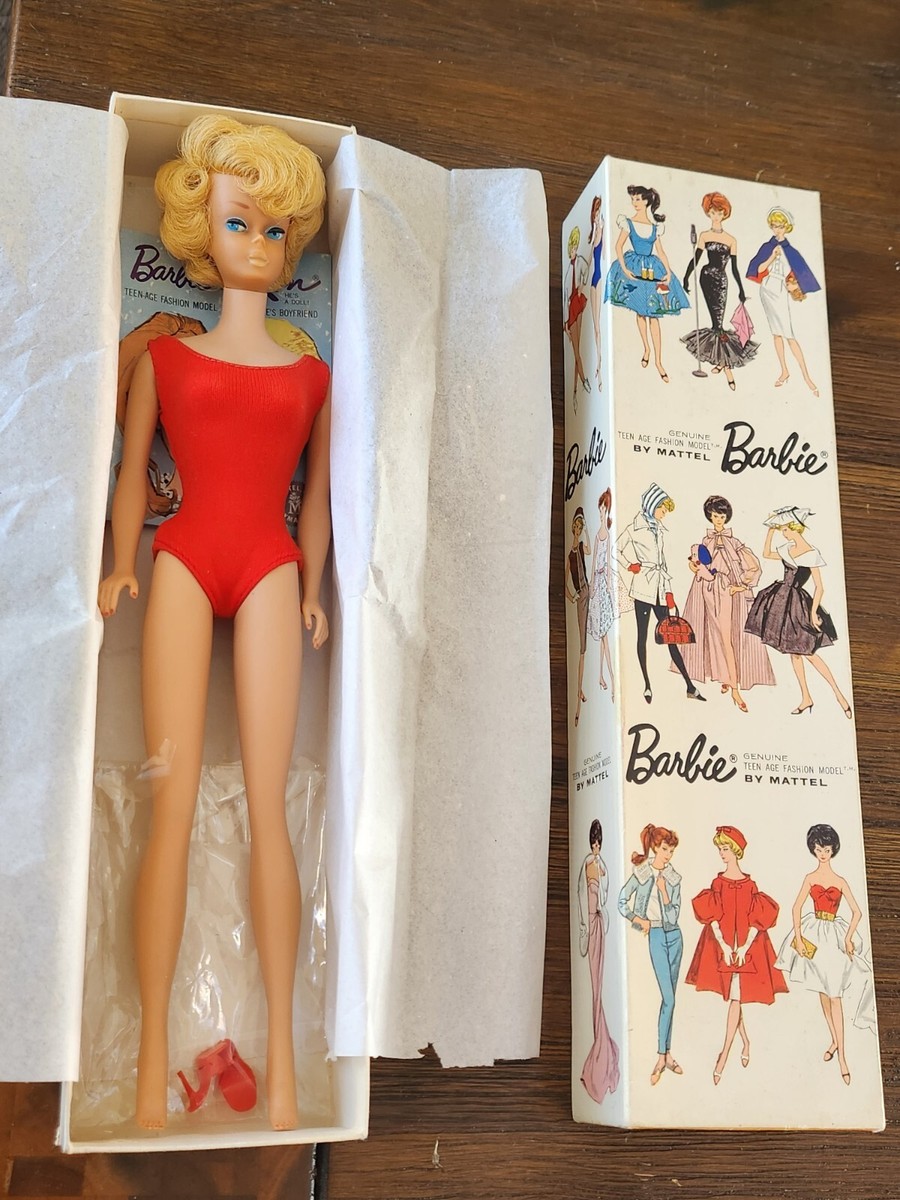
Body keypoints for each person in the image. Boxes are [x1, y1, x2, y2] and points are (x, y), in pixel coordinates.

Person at [98, 114, 331, 1131]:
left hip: (271, 568)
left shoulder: (313, 378)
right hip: (184, 559)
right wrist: (120, 562)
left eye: (278, 229)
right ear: (202, 227)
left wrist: (313, 585)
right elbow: (133, 472)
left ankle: (283, 1066)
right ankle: (151, 1060)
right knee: (173, 802)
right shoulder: (168, 361)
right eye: (242, 221)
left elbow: (317, 499)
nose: (261, 243)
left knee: (269, 810)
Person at [775, 824, 876, 1086]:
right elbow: (796, 908)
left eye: (827, 849)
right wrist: (798, 937)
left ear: (833, 851)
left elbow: (857, 912)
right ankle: (834, 1040)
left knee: (835, 995)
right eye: (819, 849)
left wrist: (848, 937)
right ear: (814, 849)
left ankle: (842, 1057)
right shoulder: (810, 877)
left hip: (834, 938)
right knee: (822, 990)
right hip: (814, 935)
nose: (822, 853)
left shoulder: (840, 881)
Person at [686, 826, 788, 1085]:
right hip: (723, 946)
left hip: (746, 949)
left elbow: (757, 919)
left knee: (736, 998)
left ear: (736, 851)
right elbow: (712, 917)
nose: (721, 853)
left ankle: (723, 1056)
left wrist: (744, 948)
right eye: (719, 849)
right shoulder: (717, 883)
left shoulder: (750, 885)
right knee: (735, 996)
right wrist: (722, 945)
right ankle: (745, 1042)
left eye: (725, 849)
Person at [744, 507, 851, 717]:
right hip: (780, 601)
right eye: (782, 530)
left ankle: (839, 695)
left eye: (785, 529)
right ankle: (806, 698)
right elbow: (766, 554)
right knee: (794, 653)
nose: (783, 533)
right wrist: (770, 531)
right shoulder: (787, 548)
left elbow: (820, 587)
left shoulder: (811, 553)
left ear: (795, 528)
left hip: (797, 606)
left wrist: (813, 613)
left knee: (808, 653)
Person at [676, 494, 775, 712]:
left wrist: (740, 586)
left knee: (727, 637)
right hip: (706, 591)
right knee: (712, 635)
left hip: (727, 593)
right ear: (710, 517)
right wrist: (695, 567)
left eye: (721, 516)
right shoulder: (706, 541)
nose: (718, 520)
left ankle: (735, 689)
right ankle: (724, 676)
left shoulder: (734, 542)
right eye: (714, 516)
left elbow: (754, 567)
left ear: (726, 517)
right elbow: (697, 565)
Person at [616, 483, 705, 704]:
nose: (664, 513)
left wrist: (669, 592)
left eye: (665, 510)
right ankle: (647, 685)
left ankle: (689, 686)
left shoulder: (659, 530)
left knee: (671, 636)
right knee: (642, 637)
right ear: (652, 506)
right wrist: (629, 565)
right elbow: (615, 549)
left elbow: (662, 563)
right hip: (642, 588)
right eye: (662, 509)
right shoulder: (634, 528)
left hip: (659, 588)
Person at [618, 823, 683, 1087]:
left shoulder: (674, 877)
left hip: (676, 937)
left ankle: (667, 1054)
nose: (668, 855)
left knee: (671, 1000)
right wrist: (639, 922)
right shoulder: (642, 873)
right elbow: (622, 902)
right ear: (655, 847)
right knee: (668, 998)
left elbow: (674, 915)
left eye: (671, 851)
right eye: (665, 849)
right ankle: (660, 1056)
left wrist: (665, 893)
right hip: (655, 935)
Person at [604, 185, 688, 383]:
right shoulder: (628, 223)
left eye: (639, 199)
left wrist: (668, 272)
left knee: (654, 315)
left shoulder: (655, 227)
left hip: (652, 269)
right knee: (641, 311)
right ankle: (646, 348)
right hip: (634, 266)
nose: (635, 203)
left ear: (647, 202)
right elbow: (618, 246)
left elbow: (661, 252)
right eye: (633, 199)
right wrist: (624, 269)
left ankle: (658, 361)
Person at [681, 192, 757, 389]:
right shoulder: (704, 235)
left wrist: (741, 289)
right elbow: (696, 259)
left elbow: (734, 268)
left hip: (722, 280)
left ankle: (723, 364)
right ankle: (725, 365)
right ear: (708, 213)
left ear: (725, 214)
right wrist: (686, 277)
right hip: (706, 277)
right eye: (713, 212)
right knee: (716, 322)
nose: (716, 216)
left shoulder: (731, 239)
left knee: (719, 322)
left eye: (719, 212)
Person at [746, 207, 821, 394]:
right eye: (774, 226)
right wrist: (772, 257)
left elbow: (800, 274)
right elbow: (759, 268)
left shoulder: (791, 251)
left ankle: (806, 376)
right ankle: (784, 370)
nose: (777, 229)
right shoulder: (767, 246)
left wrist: (795, 286)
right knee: (776, 334)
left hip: (780, 291)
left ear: (787, 227)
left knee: (789, 335)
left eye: (780, 226)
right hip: (767, 289)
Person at [577, 819, 620, 1102]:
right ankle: (600, 1045)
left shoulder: (600, 865)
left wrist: (601, 870)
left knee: (600, 986)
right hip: (591, 927)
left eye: (598, 843)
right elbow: (583, 897)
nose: (596, 847)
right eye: (594, 842)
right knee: (595, 988)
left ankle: (602, 1049)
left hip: (600, 927)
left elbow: (603, 895)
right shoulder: (588, 865)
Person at [586, 488, 615, 699]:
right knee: (603, 636)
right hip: (597, 586)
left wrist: (609, 586)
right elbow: (595, 560)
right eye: (600, 510)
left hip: (604, 586)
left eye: (604, 510)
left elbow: (608, 563)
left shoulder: (608, 535)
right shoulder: (598, 535)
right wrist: (592, 586)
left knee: (604, 636)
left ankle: (605, 677)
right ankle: (605, 677)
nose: (601, 513)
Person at [565, 506, 591, 726]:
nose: (578, 530)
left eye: (580, 528)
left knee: (597, 639)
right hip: (581, 596)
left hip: (590, 591)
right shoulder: (570, 554)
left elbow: (589, 549)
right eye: (577, 527)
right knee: (582, 647)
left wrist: (588, 529)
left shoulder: (582, 547)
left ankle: (585, 687)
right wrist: (573, 596)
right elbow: (564, 584)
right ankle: (579, 692)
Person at [564, 225, 591, 408]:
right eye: (572, 248)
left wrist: (581, 286)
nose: (574, 250)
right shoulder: (567, 272)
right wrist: (566, 322)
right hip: (571, 309)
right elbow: (565, 298)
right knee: (575, 351)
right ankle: (583, 381)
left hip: (579, 303)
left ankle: (576, 391)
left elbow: (586, 271)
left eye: (575, 247)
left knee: (578, 349)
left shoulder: (580, 261)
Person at [587, 196, 604, 385]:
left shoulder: (602, 232)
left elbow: (604, 256)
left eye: (599, 212)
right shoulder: (593, 235)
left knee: (599, 326)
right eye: (596, 212)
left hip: (599, 279)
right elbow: (589, 261)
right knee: (595, 326)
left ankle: (599, 365)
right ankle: (597, 364)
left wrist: (601, 229)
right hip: (592, 280)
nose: (597, 215)